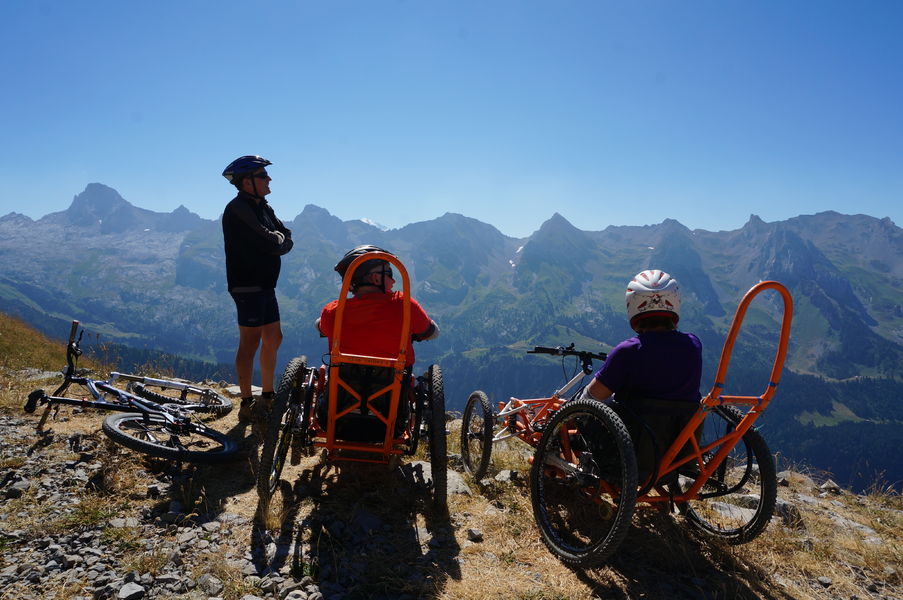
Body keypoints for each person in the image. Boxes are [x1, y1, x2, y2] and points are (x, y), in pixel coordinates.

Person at [579, 269, 703, 481]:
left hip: (630, 454)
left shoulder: (628, 351)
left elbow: (595, 395)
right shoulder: (693, 344)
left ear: (633, 306)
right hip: (677, 456)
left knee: (583, 404)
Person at [316, 245, 439, 437]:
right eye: (389, 273)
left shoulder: (333, 311)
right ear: (375, 278)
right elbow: (431, 332)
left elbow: (321, 327)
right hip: (391, 424)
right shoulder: (405, 305)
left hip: (335, 421)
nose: (394, 279)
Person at [221, 155, 294, 422]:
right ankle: (246, 402)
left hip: (265, 285)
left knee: (274, 338)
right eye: (263, 175)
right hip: (247, 285)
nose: (269, 179)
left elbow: (285, 236)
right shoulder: (238, 208)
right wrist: (278, 240)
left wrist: (280, 240)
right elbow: (269, 240)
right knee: (250, 342)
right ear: (247, 182)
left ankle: (267, 396)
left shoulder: (263, 206)